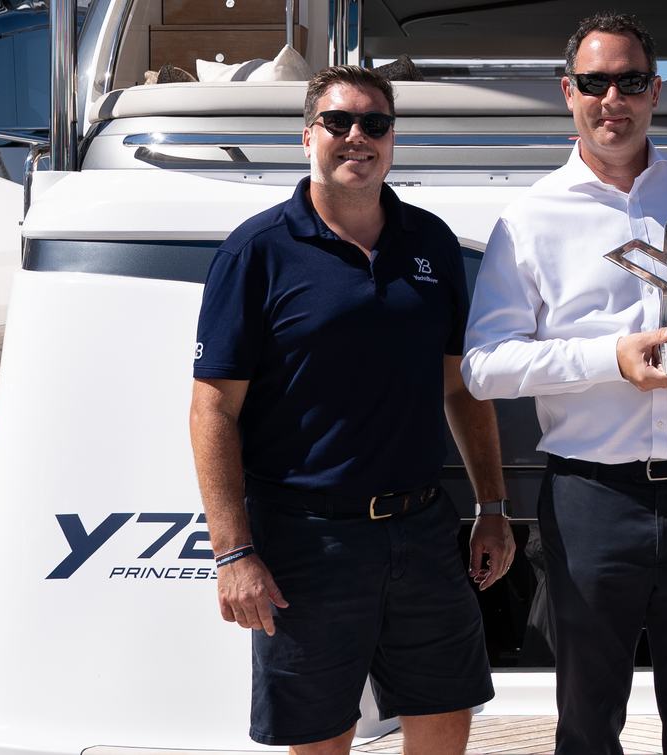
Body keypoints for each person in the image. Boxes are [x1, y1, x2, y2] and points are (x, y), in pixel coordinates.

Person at [461, 12, 667, 755]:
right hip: (590, 504)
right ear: (567, 92)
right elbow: (484, 364)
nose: (614, 97)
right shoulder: (530, 218)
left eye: (630, 81)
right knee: (586, 724)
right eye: (596, 82)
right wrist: (610, 358)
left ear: (656, 91)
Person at [189, 65, 514, 755]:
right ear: (309, 135)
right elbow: (211, 411)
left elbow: (461, 388)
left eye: (375, 123)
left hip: (424, 529)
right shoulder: (257, 251)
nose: (356, 136)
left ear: (393, 140)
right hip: (307, 541)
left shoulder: (430, 243)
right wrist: (233, 551)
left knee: (445, 713)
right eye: (338, 122)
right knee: (320, 735)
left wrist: (490, 505)